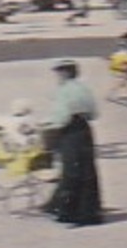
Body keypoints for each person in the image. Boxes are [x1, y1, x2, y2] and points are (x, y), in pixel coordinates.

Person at [43, 59, 103, 226]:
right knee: (87, 171)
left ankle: (67, 211)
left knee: (71, 171)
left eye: (59, 72)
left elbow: (61, 116)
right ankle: (89, 212)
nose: (57, 76)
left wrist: (50, 128)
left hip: (69, 131)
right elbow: (94, 113)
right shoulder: (84, 89)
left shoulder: (64, 91)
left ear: (65, 73)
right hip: (84, 130)